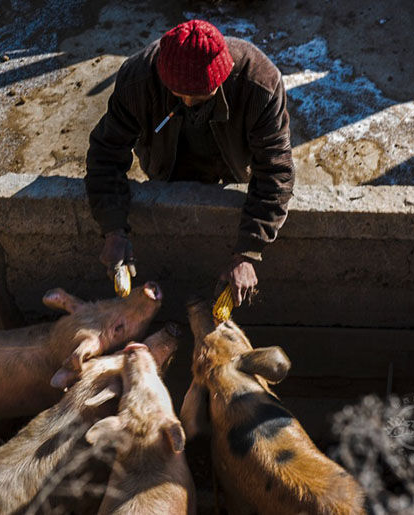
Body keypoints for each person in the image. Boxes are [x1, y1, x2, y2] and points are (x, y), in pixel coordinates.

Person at [84, 19, 294, 307]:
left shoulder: (259, 84)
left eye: (199, 96)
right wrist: (113, 228)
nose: (187, 102)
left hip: (231, 164)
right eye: (177, 93)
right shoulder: (137, 80)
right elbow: (106, 154)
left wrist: (248, 252)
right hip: (167, 164)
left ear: (222, 78)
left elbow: (275, 171)